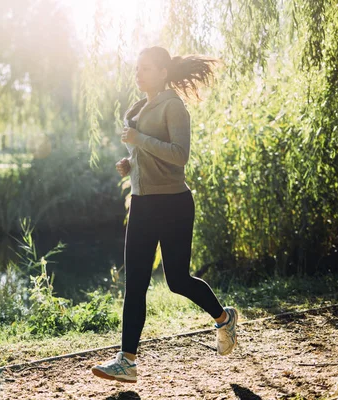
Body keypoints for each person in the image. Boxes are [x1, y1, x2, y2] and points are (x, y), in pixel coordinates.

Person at [91, 46, 238, 384]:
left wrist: (138, 140)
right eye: (137, 67)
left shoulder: (174, 106)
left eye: (144, 68)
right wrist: (130, 163)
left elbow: (180, 155)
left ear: (161, 71)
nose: (138, 73)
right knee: (136, 283)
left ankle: (223, 317)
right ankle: (127, 361)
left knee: (177, 280)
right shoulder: (142, 107)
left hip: (173, 203)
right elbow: (149, 154)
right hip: (142, 202)